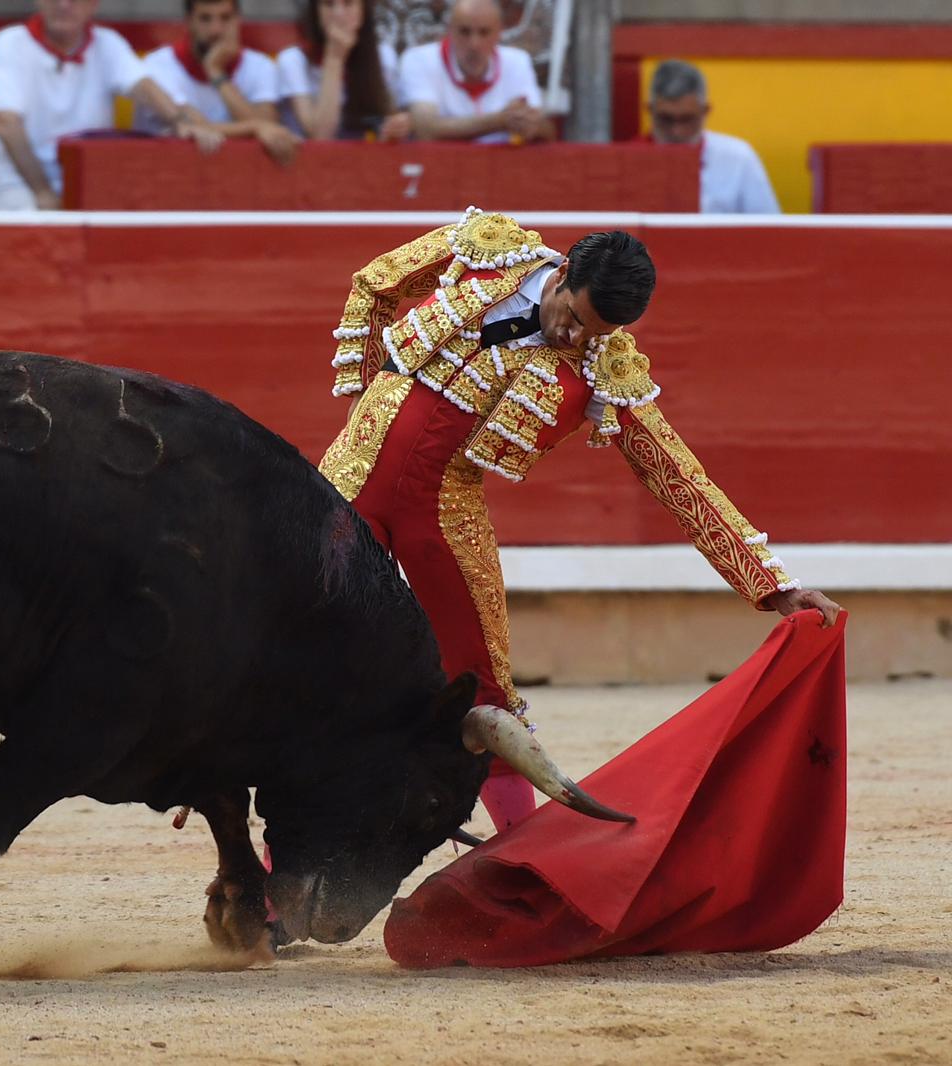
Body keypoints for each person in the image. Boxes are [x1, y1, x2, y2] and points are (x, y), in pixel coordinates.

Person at [317, 207, 840, 832]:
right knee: (306, 653)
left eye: (596, 331)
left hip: (446, 512)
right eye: (573, 316)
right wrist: (367, 400)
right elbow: (375, 284)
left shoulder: (606, 370)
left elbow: (675, 475)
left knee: (486, 688)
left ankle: (519, 857)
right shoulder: (486, 250)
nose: (575, 338)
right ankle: (266, 862)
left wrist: (773, 584)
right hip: (349, 481)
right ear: (563, 273)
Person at [0, 0, 222, 211]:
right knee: (29, 222)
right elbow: (7, 123)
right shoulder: (10, 42)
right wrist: (43, 192)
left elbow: (143, 87)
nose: (64, 4)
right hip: (17, 184)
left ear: (93, 4)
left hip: (89, 183)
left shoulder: (108, 43)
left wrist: (179, 121)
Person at [134, 0, 301, 165]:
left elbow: (271, 129)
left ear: (238, 20)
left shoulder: (260, 66)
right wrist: (256, 127)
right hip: (170, 169)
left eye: (225, 18)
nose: (216, 30)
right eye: (205, 19)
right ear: (188, 21)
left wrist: (216, 72)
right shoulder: (157, 65)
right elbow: (194, 126)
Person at [399, 0, 552, 145]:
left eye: (484, 32)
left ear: (499, 33)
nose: (474, 44)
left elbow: (546, 131)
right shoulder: (419, 59)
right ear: (449, 30)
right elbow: (425, 129)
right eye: (464, 32)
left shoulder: (518, 61)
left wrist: (530, 124)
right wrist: (499, 121)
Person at [649, 59, 780, 214]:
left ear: (705, 111)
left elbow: (768, 222)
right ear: (650, 111)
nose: (677, 131)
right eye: (666, 119)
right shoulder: (630, 160)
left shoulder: (739, 158)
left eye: (687, 119)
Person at [276, 0, 411, 142]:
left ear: (363, 10)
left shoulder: (384, 57)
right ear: (316, 12)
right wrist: (335, 57)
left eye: (348, 3)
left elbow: (387, 120)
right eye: (329, 4)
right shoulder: (294, 60)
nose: (338, 14)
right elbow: (321, 136)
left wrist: (395, 128)